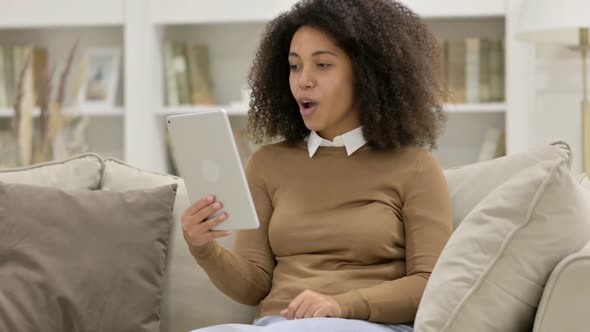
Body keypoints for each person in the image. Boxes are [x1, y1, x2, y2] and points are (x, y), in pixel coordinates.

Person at [182, 0, 452, 331]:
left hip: (366, 323)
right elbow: (252, 286)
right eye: (295, 66)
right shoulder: (267, 164)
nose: (303, 81)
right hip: (275, 324)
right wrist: (204, 247)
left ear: (367, 74)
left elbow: (431, 282)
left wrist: (343, 305)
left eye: (322, 65)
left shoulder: (416, 168)